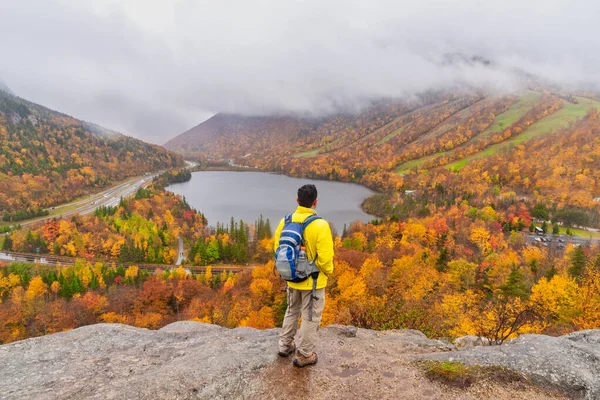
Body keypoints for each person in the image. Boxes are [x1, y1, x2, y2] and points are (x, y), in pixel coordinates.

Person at [274, 184, 334, 367]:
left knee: (291, 311)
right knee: (310, 317)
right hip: (313, 282)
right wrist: (328, 271)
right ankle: (305, 354)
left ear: (297, 201)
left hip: (291, 279)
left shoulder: (285, 221)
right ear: (315, 202)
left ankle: (284, 346)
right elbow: (325, 259)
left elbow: (277, 249)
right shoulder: (320, 225)